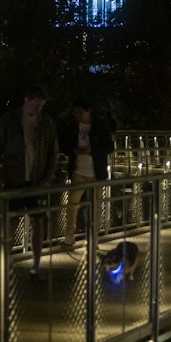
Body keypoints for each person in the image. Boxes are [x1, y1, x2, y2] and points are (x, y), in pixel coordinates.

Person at [0, 84, 60, 278]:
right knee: (9, 223)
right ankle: (4, 261)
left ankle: (36, 264)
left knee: (38, 223)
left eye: (41, 106)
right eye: (36, 105)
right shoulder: (8, 121)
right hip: (14, 179)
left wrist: (47, 178)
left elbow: (54, 154)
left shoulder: (46, 123)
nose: (38, 110)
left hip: (37, 181)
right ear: (26, 101)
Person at [58, 98, 114, 250]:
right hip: (78, 171)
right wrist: (73, 150)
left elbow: (109, 146)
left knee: (95, 207)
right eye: (75, 112)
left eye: (79, 112)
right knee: (72, 204)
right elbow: (63, 144)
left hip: (96, 172)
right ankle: (70, 236)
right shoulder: (72, 127)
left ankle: (93, 238)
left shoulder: (99, 126)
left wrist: (92, 150)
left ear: (88, 111)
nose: (76, 115)